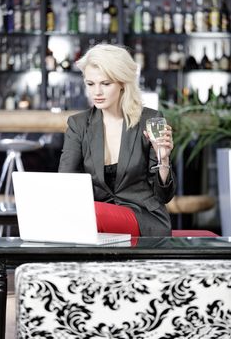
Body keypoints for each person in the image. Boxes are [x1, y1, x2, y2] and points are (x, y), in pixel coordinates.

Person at [58, 43, 176, 236]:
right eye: (90, 84)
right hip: (94, 219)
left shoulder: (149, 120)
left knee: (90, 213)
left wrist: (163, 160)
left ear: (122, 83)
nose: (97, 92)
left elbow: (164, 196)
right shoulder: (78, 124)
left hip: (142, 217)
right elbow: (66, 184)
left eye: (105, 83)